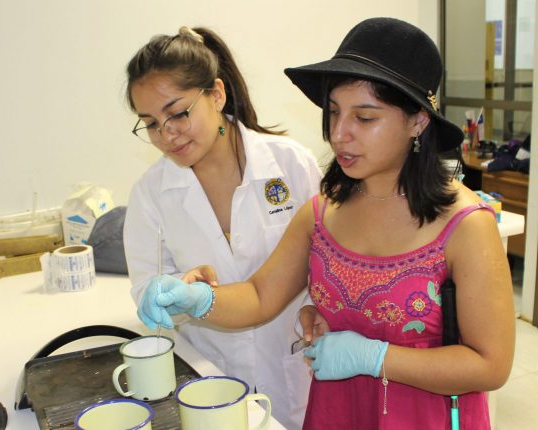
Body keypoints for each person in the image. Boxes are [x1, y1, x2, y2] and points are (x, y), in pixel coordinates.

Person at [137, 17, 515, 429]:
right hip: (337, 412)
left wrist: (375, 358)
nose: (339, 134)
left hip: (421, 416)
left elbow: (490, 365)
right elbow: (261, 294)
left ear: (417, 121)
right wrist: (199, 300)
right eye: (334, 113)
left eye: (364, 118)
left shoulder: (463, 225)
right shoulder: (324, 211)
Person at [123, 26, 322, 429]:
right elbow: (148, 288)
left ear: (216, 93)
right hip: (208, 377)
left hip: (296, 365)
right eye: (151, 123)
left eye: (178, 113)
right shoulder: (151, 194)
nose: (167, 134)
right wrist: (176, 292)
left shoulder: (289, 165)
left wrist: (317, 308)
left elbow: (332, 262)